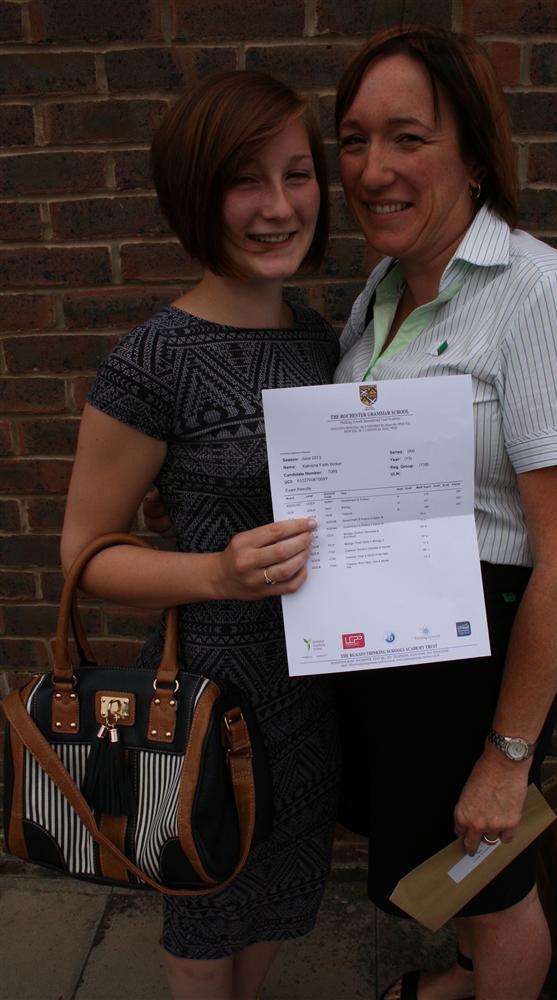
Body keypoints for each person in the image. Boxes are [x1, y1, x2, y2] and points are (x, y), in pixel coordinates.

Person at [331, 26, 557, 1000]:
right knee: (444, 861)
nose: (374, 168)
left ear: (474, 152)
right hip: (391, 636)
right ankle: (459, 980)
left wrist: (507, 753)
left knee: (494, 874)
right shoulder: (379, 293)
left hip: (479, 650)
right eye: (355, 140)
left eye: (406, 137)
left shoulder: (539, 295)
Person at [60, 71, 341, 1000]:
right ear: (194, 193)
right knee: (206, 907)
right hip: (212, 691)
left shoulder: (323, 342)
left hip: (313, 691)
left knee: (279, 897)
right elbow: (86, 553)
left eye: (297, 175)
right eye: (243, 180)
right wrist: (217, 573)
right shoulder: (152, 359)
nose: (276, 207)